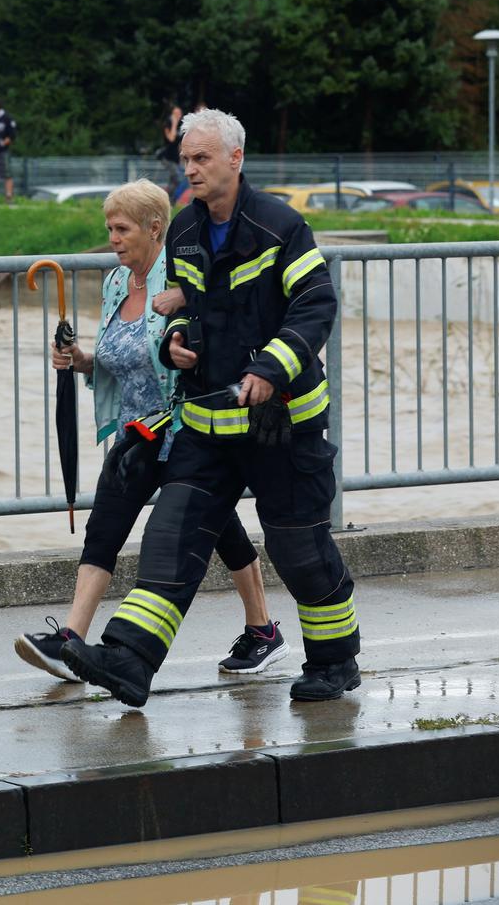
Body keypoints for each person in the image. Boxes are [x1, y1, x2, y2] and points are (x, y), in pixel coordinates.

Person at [63, 107, 359, 707]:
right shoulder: (187, 234)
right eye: (185, 160)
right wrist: (178, 349)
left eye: (201, 159)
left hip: (284, 427)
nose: (191, 170)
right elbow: (200, 315)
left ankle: (333, 662)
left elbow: (315, 304)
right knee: (170, 539)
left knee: (299, 550)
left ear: (235, 159)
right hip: (206, 427)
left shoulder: (281, 226)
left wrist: (270, 370)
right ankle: (128, 662)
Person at [15, 179, 285, 682]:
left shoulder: (181, 281)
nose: (112, 239)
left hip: (188, 431)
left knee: (220, 529)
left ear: (154, 228)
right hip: (136, 435)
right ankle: (70, 641)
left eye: (121, 229)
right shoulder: (119, 283)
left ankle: (263, 632)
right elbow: (117, 363)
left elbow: (209, 347)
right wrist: (77, 360)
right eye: (109, 229)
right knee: (106, 528)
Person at [159, 105, 184, 201]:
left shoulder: (181, 126)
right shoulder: (168, 124)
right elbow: (171, 138)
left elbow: (180, 143)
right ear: (172, 114)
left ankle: (167, 202)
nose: (178, 115)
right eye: (176, 113)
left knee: (172, 181)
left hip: (175, 158)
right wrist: (174, 123)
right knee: (178, 179)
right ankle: (168, 199)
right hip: (167, 157)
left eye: (179, 113)